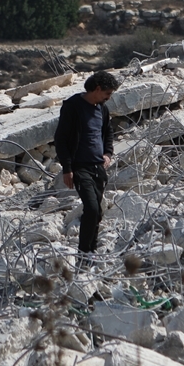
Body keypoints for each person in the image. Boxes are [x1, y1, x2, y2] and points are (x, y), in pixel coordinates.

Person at [53, 71, 119, 253]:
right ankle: (84, 253)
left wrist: (108, 153)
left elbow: (108, 133)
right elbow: (61, 139)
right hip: (79, 167)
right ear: (97, 89)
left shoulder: (102, 109)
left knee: (97, 212)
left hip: (98, 167)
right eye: (107, 94)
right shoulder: (72, 106)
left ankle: (91, 251)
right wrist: (67, 168)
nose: (108, 98)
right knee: (90, 208)